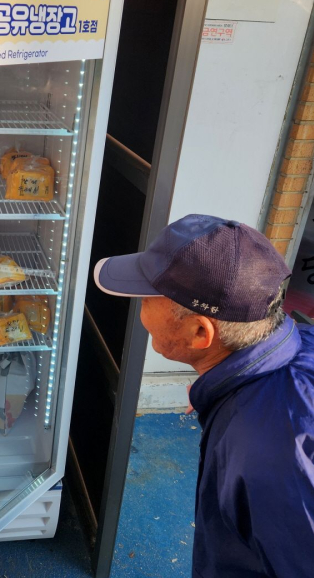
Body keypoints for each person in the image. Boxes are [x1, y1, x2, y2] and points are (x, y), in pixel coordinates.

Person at [94, 214, 314, 578]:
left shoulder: (267, 455)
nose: (139, 306)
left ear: (200, 333)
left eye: (148, 298)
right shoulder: (295, 348)